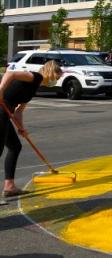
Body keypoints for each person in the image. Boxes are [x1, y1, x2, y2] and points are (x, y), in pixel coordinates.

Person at [0, 60, 63, 198]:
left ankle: (9, 186)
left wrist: (21, 128)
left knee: (15, 146)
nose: (56, 82)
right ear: (51, 73)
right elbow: (10, 74)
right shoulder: (35, 77)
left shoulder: (35, 87)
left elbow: (19, 111)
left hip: (6, 111)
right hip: (1, 107)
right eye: (57, 78)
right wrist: (1, 90)